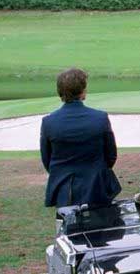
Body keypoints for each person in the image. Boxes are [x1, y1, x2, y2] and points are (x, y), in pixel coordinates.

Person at [40, 68, 122, 208]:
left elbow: (47, 159)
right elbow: (111, 156)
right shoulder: (100, 118)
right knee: (101, 227)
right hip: (97, 187)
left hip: (64, 190)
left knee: (68, 228)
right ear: (83, 91)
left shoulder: (49, 122)